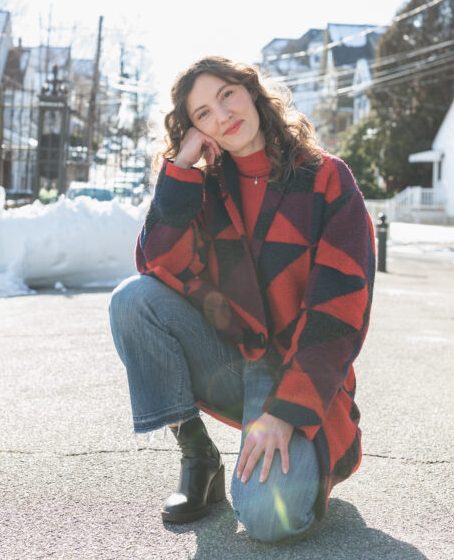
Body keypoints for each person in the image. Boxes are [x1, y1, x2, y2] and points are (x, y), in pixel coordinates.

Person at [109, 56, 375, 543]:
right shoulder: (205, 189)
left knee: (270, 520)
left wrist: (285, 411)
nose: (223, 115)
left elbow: (341, 310)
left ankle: (325, 453)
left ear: (251, 91)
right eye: (203, 113)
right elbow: (157, 263)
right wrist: (181, 167)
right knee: (134, 300)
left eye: (226, 95)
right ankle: (198, 459)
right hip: (233, 359)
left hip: (299, 376)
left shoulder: (326, 179)